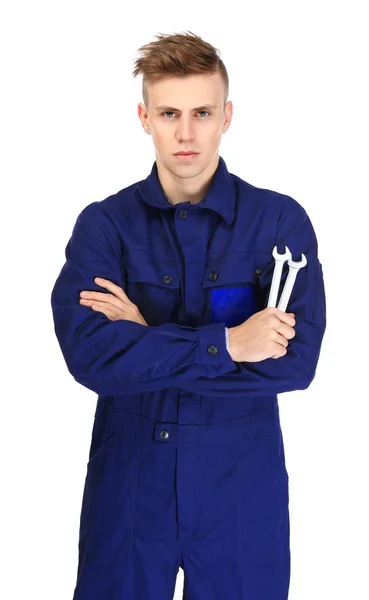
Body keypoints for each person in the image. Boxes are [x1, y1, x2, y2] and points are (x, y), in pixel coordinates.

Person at [50, 30, 326, 600]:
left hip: (241, 491)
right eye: (169, 112)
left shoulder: (279, 224)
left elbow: (294, 367)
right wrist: (229, 345)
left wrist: (145, 339)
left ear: (227, 116)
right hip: (129, 491)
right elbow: (91, 358)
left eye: (202, 112)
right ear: (143, 117)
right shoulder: (104, 228)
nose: (186, 133)